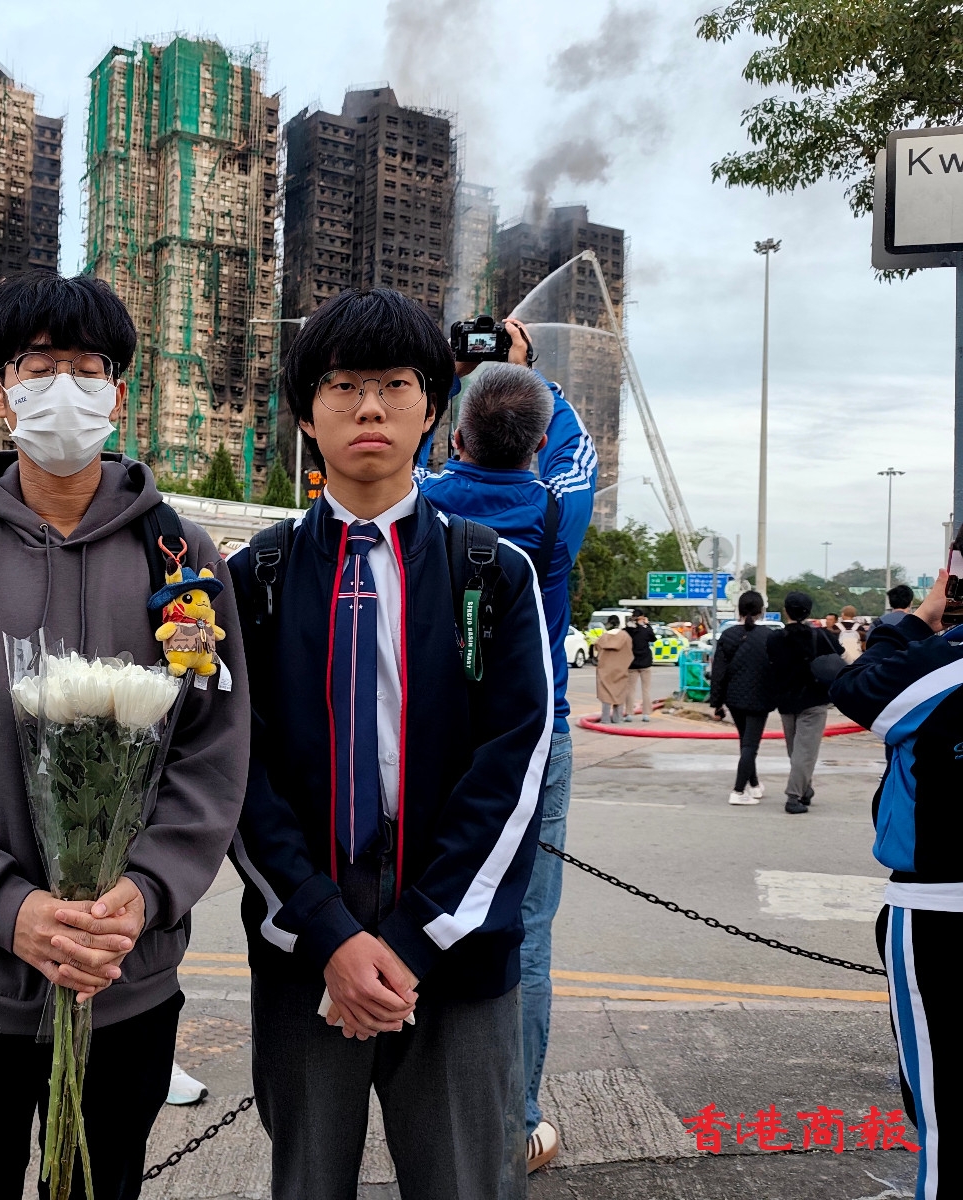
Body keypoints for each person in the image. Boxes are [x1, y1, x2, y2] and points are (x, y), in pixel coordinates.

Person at [0, 271, 250, 1200]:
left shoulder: (181, 558)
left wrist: (144, 892)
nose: (66, 390)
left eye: (89, 369)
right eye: (40, 369)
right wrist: (10, 910)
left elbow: (211, 746)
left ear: (119, 394)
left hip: (125, 981)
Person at [229, 287, 550, 1200]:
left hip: (454, 934)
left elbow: (514, 762)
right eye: (342, 386)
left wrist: (412, 940)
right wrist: (328, 934)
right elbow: (237, 771)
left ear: (432, 410)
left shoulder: (489, 570)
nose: (369, 407)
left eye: (396, 385)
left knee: (463, 1179)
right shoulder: (256, 578)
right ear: (306, 414)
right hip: (307, 939)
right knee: (307, 1178)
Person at [414, 347, 597, 1171]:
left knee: (421, 908)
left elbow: (412, 444)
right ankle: (514, 1121)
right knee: (524, 930)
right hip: (533, 739)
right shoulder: (556, 512)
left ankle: (419, 1101)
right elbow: (576, 448)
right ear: (536, 444)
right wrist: (532, 369)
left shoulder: (419, 499)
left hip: (431, 734)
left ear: (455, 435)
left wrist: (459, 374)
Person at [829, 568, 961, 1197]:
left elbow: (860, 689)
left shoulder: (946, 668)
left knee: (941, 1108)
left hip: (940, 907)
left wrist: (913, 622)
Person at [766, 591, 841, 815]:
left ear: (785, 611)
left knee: (795, 750)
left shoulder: (775, 638)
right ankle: (794, 796)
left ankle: (805, 789)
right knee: (805, 751)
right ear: (809, 612)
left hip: (786, 700)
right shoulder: (821, 636)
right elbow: (840, 656)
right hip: (814, 699)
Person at [710, 591, 774, 805]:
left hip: (734, 698)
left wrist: (717, 703)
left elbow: (718, 671)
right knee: (750, 745)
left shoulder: (728, 635)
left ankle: (753, 785)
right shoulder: (768, 636)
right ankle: (738, 791)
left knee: (746, 742)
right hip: (760, 697)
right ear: (761, 610)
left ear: (738, 609)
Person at [594, 616, 631, 723]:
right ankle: (617, 718)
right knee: (619, 693)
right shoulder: (625, 636)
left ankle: (605, 718)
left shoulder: (603, 637)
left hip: (605, 669)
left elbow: (596, 649)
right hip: (621, 669)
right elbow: (629, 652)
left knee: (605, 693)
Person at [625, 610, 656, 722]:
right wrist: (647, 624)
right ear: (642, 618)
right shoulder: (645, 630)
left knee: (630, 689)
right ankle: (646, 714)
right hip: (645, 663)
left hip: (632, 663)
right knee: (645, 689)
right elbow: (653, 638)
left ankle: (629, 714)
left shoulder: (627, 630)